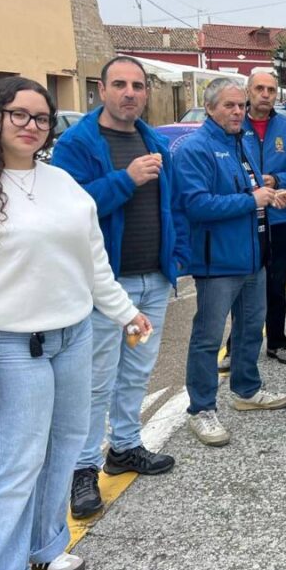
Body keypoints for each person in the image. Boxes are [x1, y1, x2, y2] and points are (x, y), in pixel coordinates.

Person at [0, 77, 150, 570]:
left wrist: (125, 314)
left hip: (73, 337)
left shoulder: (61, 185)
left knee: (65, 448)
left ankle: (46, 545)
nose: (31, 125)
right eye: (18, 115)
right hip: (6, 348)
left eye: (41, 118)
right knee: (14, 464)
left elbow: (93, 266)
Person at [50, 56, 187, 519]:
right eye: (120, 85)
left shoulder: (153, 141)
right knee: (94, 379)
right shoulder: (77, 143)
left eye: (138, 85)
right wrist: (124, 180)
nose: (130, 92)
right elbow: (69, 210)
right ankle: (82, 468)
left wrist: (176, 256)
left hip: (152, 281)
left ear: (146, 93)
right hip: (107, 287)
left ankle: (125, 447)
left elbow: (174, 206)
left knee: (137, 371)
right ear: (102, 90)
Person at [175, 77, 286, 448]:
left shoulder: (240, 143)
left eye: (241, 105)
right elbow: (196, 205)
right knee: (208, 339)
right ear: (209, 108)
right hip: (217, 263)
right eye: (230, 106)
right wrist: (253, 200)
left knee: (249, 329)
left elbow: (248, 193)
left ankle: (246, 389)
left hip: (252, 257)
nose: (238, 111)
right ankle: (201, 409)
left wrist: (270, 196)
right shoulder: (195, 149)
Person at [241, 71, 286, 365]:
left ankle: (277, 342)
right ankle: (237, 347)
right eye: (259, 88)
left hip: (279, 219)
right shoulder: (234, 124)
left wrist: (277, 180)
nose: (265, 94)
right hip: (242, 218)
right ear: (249, 91)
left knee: (276, 282)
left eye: (270, 89)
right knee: (242, 286)